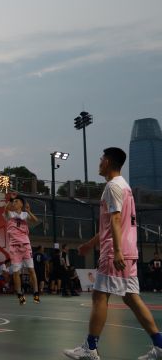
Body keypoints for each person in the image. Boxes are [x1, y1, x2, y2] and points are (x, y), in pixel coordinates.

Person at [64, 147, 162, 360]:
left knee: (99, 296)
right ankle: (160, 345)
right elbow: (110, 224)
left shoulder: (112, 186)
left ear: (107, 162)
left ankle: (90, 349)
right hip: (129, 251)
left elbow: (116, 220)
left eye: (101, 159)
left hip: (115, 253)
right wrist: (89, 244)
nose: (99, 162)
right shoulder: (124, 187)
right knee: (131, 298)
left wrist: (116, 251)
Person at [3, 193, 41, 305]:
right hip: (14, 247)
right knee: (16, 272)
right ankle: (20, 294)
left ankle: (36, 292)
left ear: (21, 204)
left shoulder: (25, 214)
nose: (14, 203)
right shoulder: (9, 214)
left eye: (17, 201)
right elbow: (6, 210)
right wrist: (10, 200)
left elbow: (35, 220)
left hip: (25, 245)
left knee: (31, 270)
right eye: (13, 202)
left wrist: (29, 211)